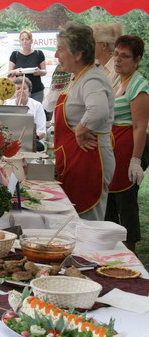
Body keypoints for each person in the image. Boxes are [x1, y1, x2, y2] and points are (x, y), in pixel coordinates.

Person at [53, 21, 115, 220]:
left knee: (87, 224)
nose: (56, 56)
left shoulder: (91, 79)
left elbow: (97, 110)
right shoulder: (78, 77)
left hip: (90, 161)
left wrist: (80, 130)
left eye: (60, 50)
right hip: (75, 159)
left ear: (78, 54)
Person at [105, 35, 149, 252]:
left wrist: (135, 160)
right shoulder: (116, 80)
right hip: (114, 146)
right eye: (116, 54)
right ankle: (112, 246)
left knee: (125, 199)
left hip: (128, 146)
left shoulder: (139, 85)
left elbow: (140, 126)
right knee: (111, 198)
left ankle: (129, 250)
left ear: (137, 59)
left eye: (124, 56)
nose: (118, 59)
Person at [9, 76, 47, 151]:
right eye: (18, 88)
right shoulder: (8, 105)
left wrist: (29, 139)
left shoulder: (37, 105)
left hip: (33, 141)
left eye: (24, 88)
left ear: (29, 91)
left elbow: (41, 132)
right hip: (12, 141)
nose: (21, 91)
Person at [8, 29, 47, 102]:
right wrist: (16, 72)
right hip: (20, 91)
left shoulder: (39, 53)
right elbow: (9, 73)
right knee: (22, 111)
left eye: (27, 39)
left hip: (37, 91)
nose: (24, 41)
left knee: (35, 111)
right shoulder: (15, 55)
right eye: (22, 39)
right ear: (19, 42)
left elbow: (44, 71)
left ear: (31, 41)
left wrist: (39, 72)